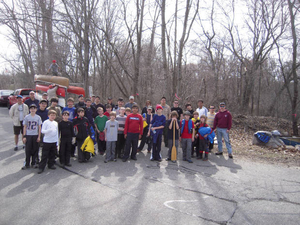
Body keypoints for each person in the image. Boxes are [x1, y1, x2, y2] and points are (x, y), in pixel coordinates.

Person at [22, 104, 42, 170]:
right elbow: (24, 127)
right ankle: (27, 163)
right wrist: (24, 136)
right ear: (29, 110)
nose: (33, 110)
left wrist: (39, 136)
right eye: (31, 108)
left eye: (34, 108)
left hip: (35, 135)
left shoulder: (38, 117)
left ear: (36, 109)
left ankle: (34, 163)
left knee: (35, 149)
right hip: (28, 135)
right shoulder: (27, 117)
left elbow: (39, 127)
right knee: (28, 150)